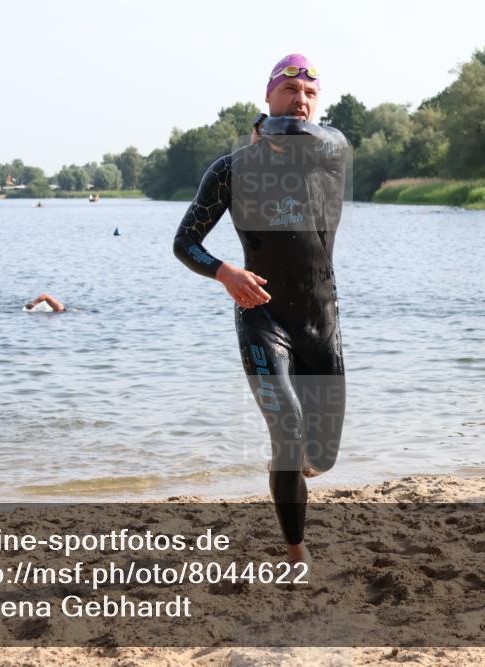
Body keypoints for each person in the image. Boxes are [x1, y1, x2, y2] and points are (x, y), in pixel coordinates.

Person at [173, 53, 349, 570]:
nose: (301, 100)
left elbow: (305, 134)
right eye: (290, 90)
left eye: (310, 93)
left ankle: (287, 466)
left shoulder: (330, 153)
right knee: (288, 428)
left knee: (322, 457)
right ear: (268, 94)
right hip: (262, 318)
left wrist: (271, 128)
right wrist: (224, 273)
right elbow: (185, 242)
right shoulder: (232, 169)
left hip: (321, 321)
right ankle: (296, 552)